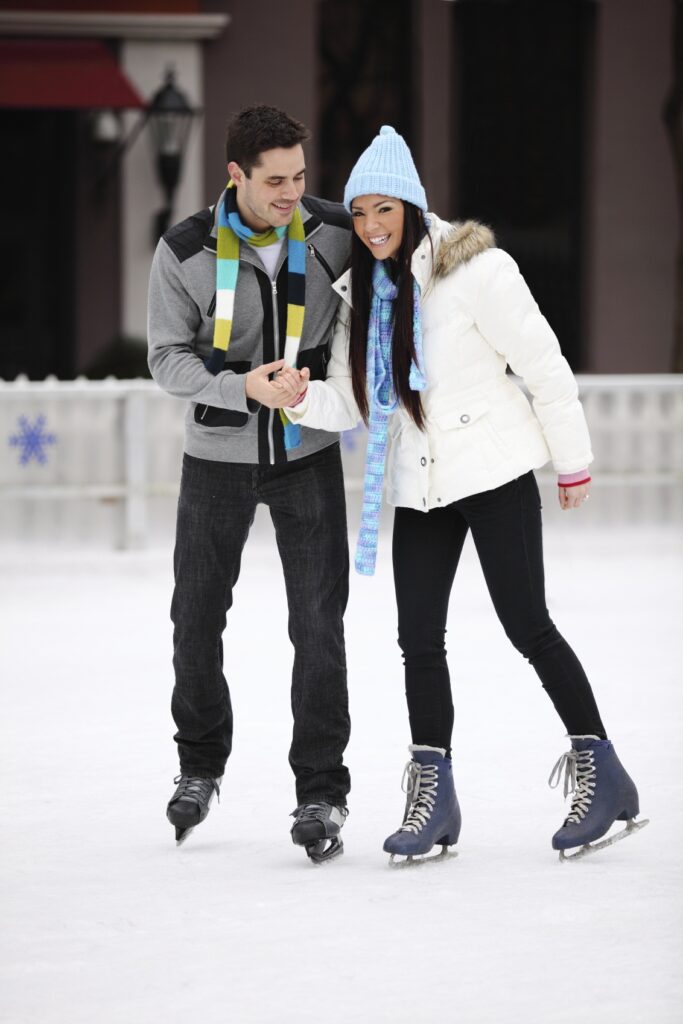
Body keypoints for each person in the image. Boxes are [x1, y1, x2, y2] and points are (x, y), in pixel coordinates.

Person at [280, 125, 647, 863]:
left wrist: (570, 462)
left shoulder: (479, 272)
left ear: (412, 207)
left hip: (495, 473)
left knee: (526, 626)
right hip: (421, 486)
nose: (370, 226)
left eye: (383, 210)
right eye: (358, 213)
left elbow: (542, 364)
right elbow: (356, 404)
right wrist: (296, 396)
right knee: (417, 640)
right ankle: (434, 796)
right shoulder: (367, 296)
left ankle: (601, 773)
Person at [147, 105, 353, 863]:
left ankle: (321, 789)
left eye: (300, 176)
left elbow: (407, 250)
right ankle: (199, 767)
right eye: (274, 181)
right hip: (217, 459)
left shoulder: (335, 230)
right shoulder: (186, 249)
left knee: (318, 627)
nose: (291, 193)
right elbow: (168, 358)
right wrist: (243, 389)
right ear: (234, 175)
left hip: (308, 455)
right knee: (195, 621)